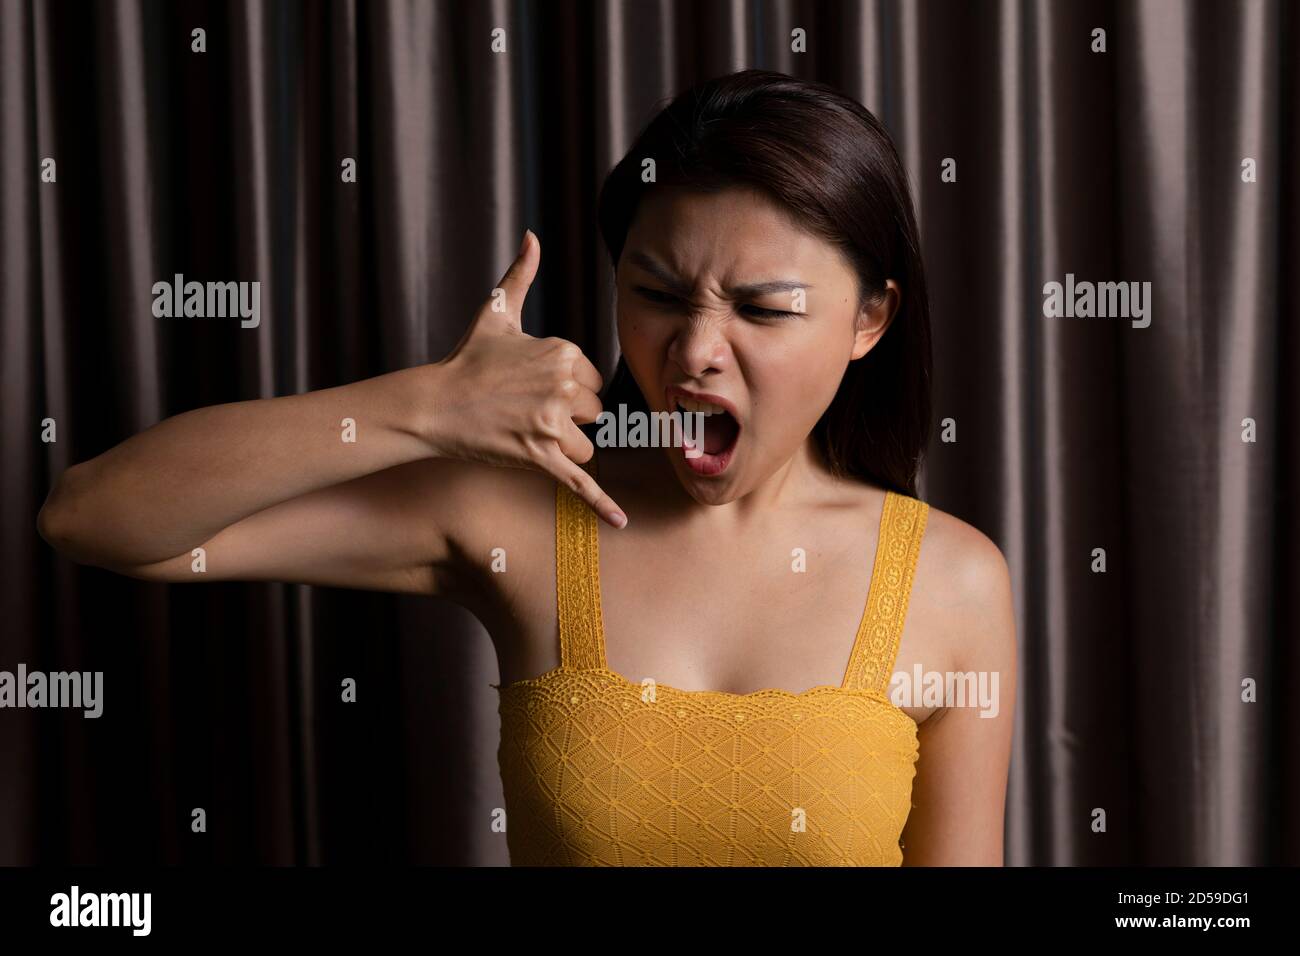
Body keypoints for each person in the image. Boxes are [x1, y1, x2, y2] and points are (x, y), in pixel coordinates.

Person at [37, 69, 1015, 866]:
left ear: (869, 320)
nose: (695, 349)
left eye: (762, 308)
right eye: (657, 292)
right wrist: (424, 407)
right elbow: (93, 517)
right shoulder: (522, 520)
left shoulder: (953, 581)